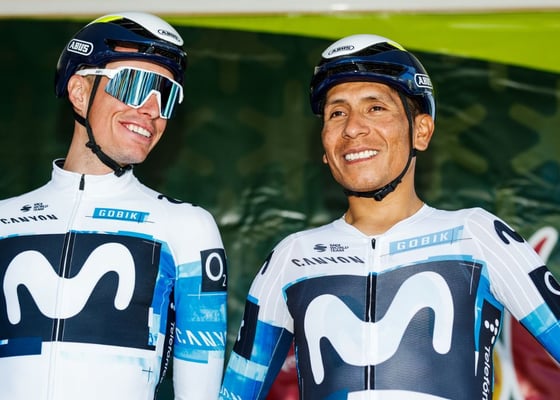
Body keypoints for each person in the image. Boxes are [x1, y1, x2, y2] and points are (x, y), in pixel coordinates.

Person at [219, 34, 560, 399]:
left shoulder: (477, 235)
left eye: (376, 108)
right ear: (324, 146)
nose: (353, 127)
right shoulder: (293, 256)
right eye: (337, 113)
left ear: (422, 131)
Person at [0, 12, 227, 400]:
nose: (152, 109)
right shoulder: (5, 220)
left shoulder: (187, 226)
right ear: (79, 92)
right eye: (134, 85)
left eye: (166, 95)